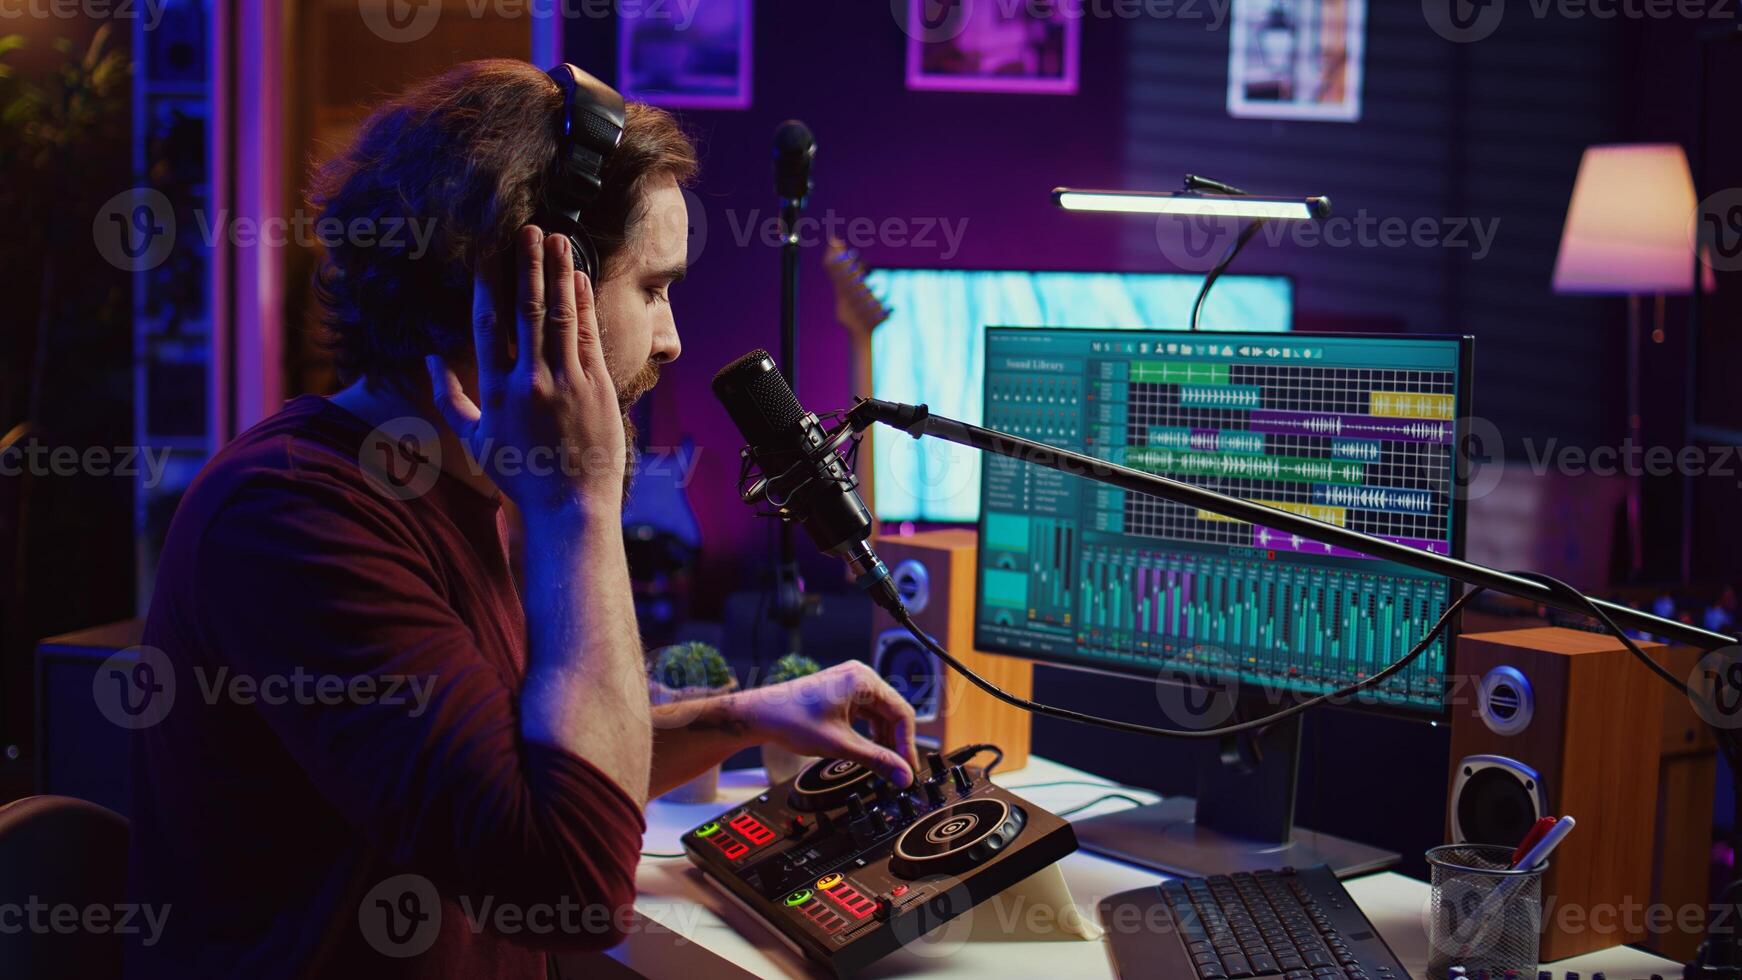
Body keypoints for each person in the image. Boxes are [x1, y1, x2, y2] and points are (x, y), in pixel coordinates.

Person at [127, 59, 919, 978]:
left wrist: (742, 715)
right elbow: (570, 883)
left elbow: (518, 769)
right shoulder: (294, 519)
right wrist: (577, 501)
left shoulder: (457, 486)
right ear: (523, 290)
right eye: (654, 289)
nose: (671, 340)